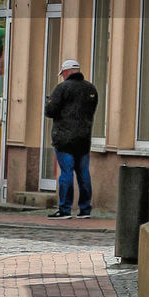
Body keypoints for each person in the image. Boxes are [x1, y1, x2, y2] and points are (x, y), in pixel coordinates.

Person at [44, 58, 99, 220]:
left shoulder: (62, 88)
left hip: (64, 139)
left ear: (66, 72)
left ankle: (65, 209)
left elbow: (50, 111)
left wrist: (49, 102)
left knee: (66, 173)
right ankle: (85, 209)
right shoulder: (91, 89)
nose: (62, 77)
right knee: (83, 174)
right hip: (83, 138)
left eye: (62, 74)